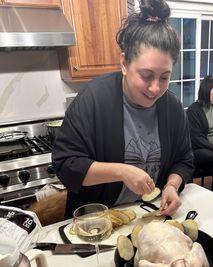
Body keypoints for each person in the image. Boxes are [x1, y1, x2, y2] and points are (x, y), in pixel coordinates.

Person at [52, 0, 194, 219]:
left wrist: (172, 185)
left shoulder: (172, 108)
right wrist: (121, 171)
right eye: (146, 75)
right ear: (124, 64)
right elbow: (67, 164)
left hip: (148, 214)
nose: (155, 88)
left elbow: (184, 160)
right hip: (97, 220)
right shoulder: (93, 100)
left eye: (164, 77)